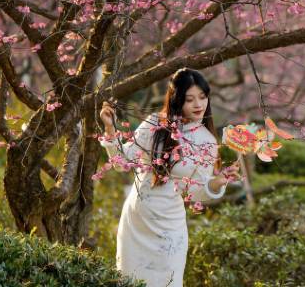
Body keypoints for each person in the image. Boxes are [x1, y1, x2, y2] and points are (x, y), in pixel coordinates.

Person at [98, 67, 240, 287]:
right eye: (189, 99)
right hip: (138, 221)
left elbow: (196, 191)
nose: (198, 105)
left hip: (170, 225)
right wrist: (110, 129)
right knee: (130, 281)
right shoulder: (156, 123)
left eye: (202, 98)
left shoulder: (207, 141)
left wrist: (216, 181)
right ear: (176, 100)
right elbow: (122, 162)